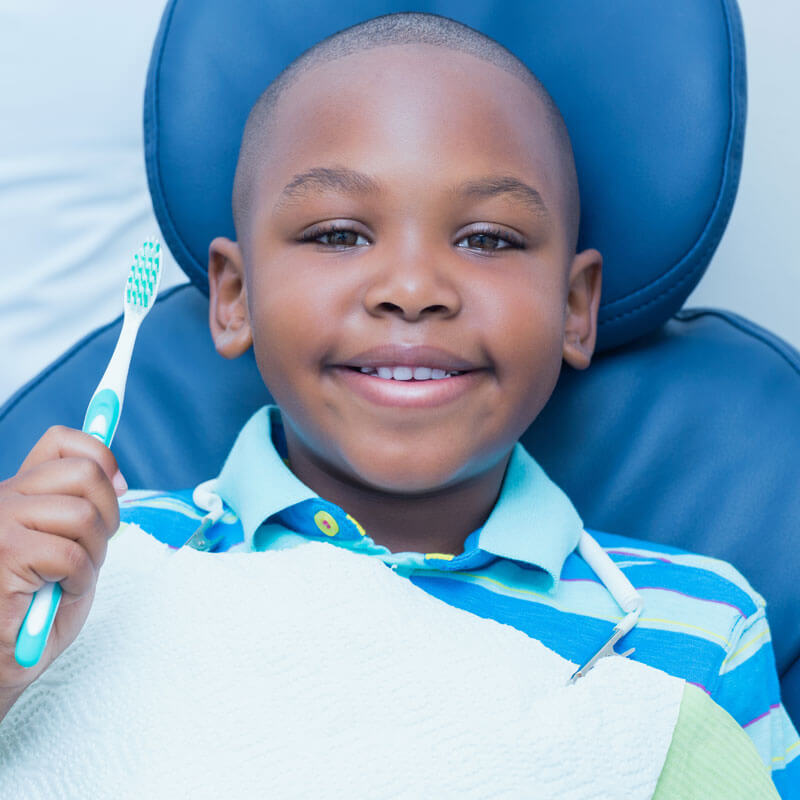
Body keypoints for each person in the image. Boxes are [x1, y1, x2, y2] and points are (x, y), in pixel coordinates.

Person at [0, 11, 795, 797]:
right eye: (340, 235)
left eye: (488, 239)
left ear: (576, 307)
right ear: (235, 298)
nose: (412, 291)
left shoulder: (700, 629)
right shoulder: (94, 574)